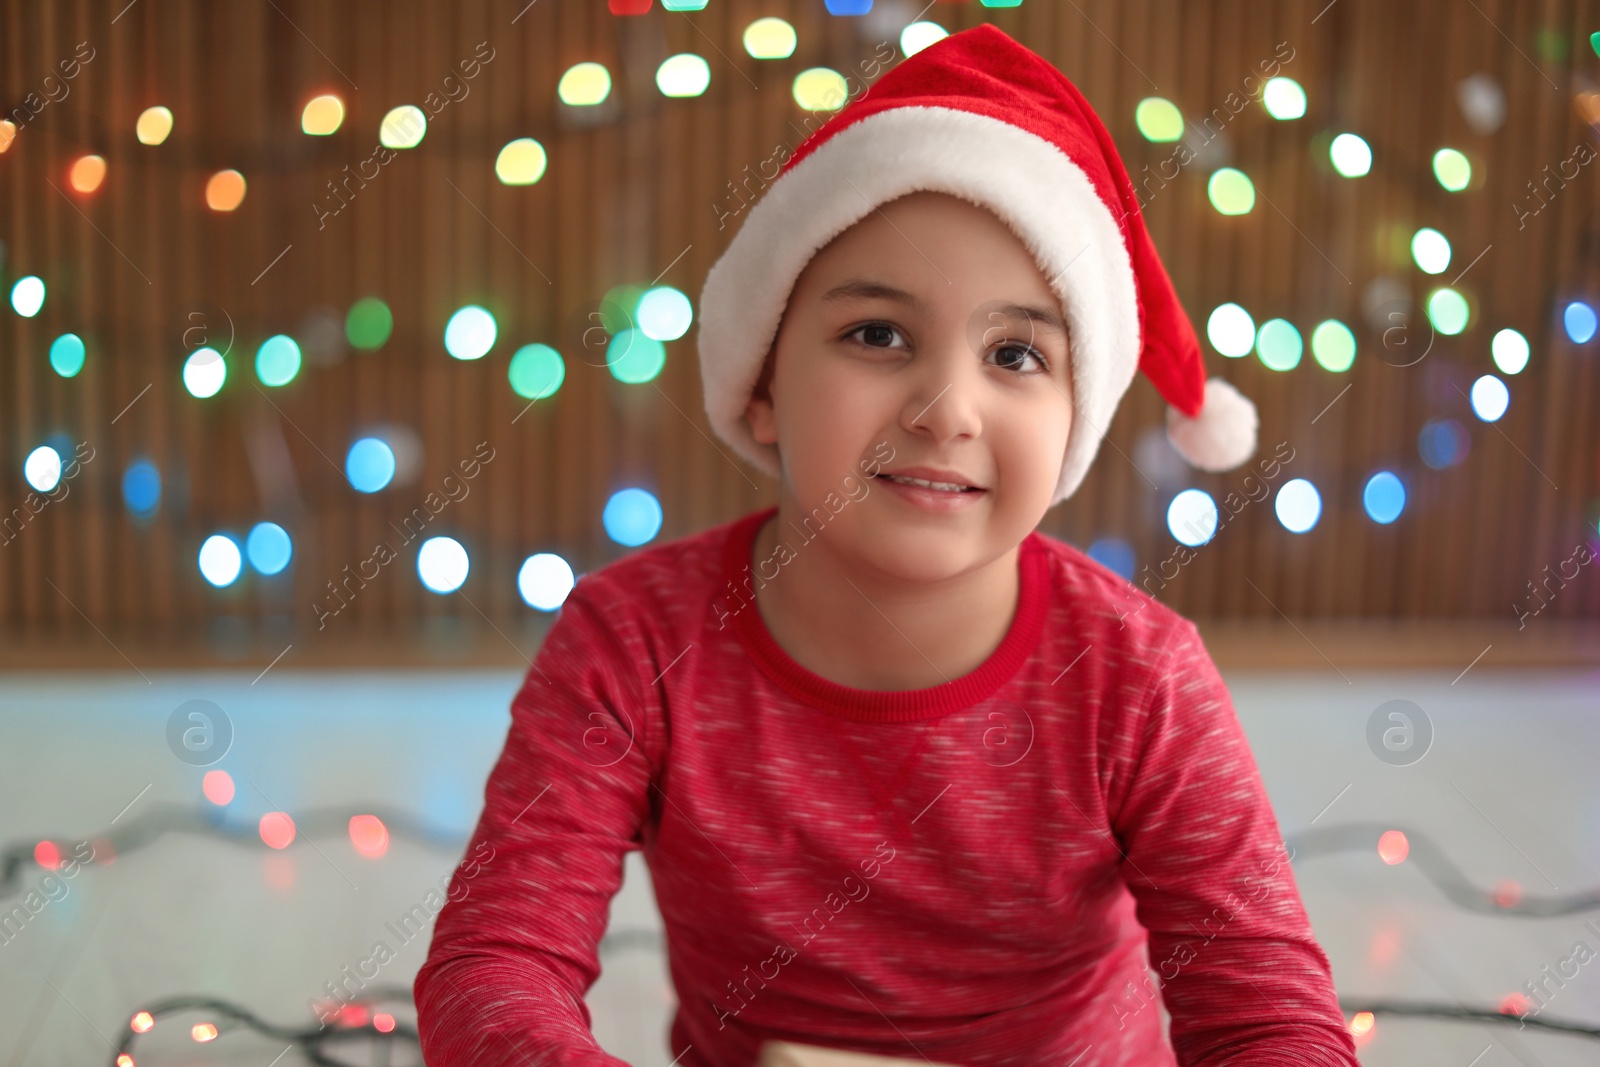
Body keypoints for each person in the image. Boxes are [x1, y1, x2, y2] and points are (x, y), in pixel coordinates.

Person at [415, 23, 1358, 1067]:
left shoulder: (1143, 676)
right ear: (764, 386)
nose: (947, 408)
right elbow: (497, 962)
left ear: (1076, 417)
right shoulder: (632, 642)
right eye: (877, 335)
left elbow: (1270, 1014)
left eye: (1014, 353)